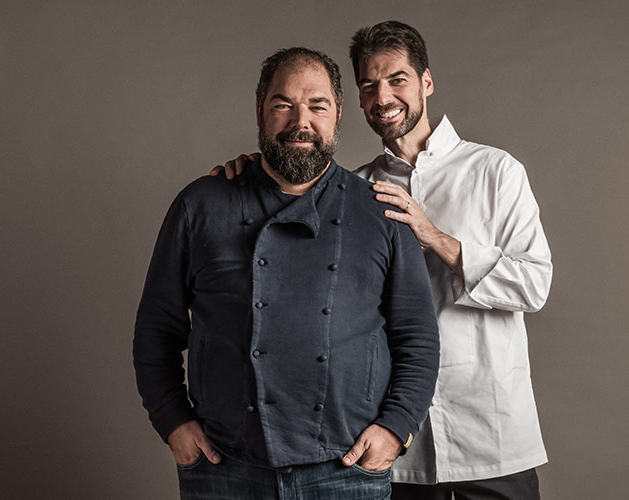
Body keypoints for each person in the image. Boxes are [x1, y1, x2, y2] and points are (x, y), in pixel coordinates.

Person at [215, 21, 553, 500]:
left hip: (491, 432)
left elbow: (534, 286)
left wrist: (434, 237)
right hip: (396, 444)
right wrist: (253, 169)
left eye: (397, 79)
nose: (383, 96)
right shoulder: (355, 190)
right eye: (369, 85)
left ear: (426, 83)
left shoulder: (495, 171)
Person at [134, 46, 440, 500]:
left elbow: (418, 336)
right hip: (225, 467)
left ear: (338, 114)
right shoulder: (201, 204)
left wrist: (396, 428)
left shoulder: (380, 213)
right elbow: (156, 329)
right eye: (283, 104)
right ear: (260, 111)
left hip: (345, 469)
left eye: (317, 105)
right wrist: (173, 421)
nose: (302, 120)